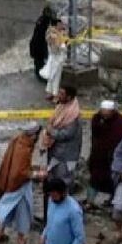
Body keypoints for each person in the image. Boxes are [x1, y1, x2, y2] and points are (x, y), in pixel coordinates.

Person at [0, 125, 41, 244]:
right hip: (20, 186)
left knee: (6, 207)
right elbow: (21, 171)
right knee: (23, 211)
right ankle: (20, 240)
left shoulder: (16, 140)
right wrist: (36, 174)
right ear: (34, 135)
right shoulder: (25, 149)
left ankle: (0, 232)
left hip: (8, 182)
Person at [41, 87, 82, 224]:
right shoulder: (61, 107)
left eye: (62, 93)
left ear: (69, 97)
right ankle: (49, 218)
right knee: (50, 186)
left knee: (63, 186)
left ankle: (61, 218)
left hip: (65, 158)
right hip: (55, 154)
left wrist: (50, 130)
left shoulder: (72, 115)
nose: (58, 95)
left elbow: (66, 134)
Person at [86, 100, 122, 209]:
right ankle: (89, 201)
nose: (105, 115)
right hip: (98, 156)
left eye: (107, 112)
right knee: (94, 179)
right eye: (103, 112)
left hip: (114, 159)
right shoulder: (97, 119)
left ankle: (113, 201)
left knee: (114, 182)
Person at [40, 20, 68, 101]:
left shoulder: (62, 33)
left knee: (56, 77)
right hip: (54, 57)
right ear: (55, 26)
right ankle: (51, 93)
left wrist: (64, 42)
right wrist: (63, 44)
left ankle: (54, 94)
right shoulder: (52, 33)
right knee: (51, 76)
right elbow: (55, 45)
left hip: (59, 58)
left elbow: (65, 42)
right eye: (59, 24)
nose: (61, 26)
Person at [30, 5, 57, 80]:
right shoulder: (44, 22)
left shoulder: (41, 20)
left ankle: (40, 73)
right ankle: (41, 75)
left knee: (39, 62)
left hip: (37, 45)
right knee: (40, 62)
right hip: (39, 46)